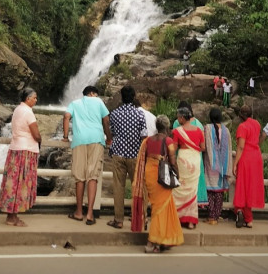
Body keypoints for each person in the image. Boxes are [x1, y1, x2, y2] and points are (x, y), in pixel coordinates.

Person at [131, 115, 184, 253]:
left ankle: (162, 240)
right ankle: (152, 241)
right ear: (167, 127)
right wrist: (177, 175)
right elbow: (172, 161)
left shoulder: (147, 140)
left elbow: (144, 158)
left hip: (149, 173)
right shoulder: (168, 141)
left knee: (158, 206)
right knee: (160, 209)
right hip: (162, 175)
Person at [63, 85, 112, 225]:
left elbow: (66, 116)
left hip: (79, 140)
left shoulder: (75, 103)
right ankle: (90, 214)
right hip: (96, 140)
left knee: (80, 177)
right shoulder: (98, 101)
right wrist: (108, 138)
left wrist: (65, 136)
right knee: (92, 176)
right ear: (92, 93)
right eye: (96, 94)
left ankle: (78, 212)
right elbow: (106, 120)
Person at [0, 87, 42, 227]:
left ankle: (11, 215)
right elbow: (36, 134)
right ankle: (13, 218)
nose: (36, 100)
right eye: (34, 98)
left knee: (13, 183)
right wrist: (40, 140)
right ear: (27, 98)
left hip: (15, 149)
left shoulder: (17, 109)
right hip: (25, 151)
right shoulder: (28, 113)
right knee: (20, 184)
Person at [107, 85, 146, 229]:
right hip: (135, 154)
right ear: (134, 96)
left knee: (119, 187)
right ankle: (139, 218)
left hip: (118, 153)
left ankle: (118, 220)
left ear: (122, 97)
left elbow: (111, 132)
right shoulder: (140, 114)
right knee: (138, 187)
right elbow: (144, 135)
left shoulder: (115, 113)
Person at [171, 106, 205, 229]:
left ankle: (177, 217)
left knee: (179, 189)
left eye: (178, 117)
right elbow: (203, 147)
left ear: (182, 118)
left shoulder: (177, 131)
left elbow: (173, 149)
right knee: (192, 191)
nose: (177, 119)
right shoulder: (199, 130)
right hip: (195, 161)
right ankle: (191, 221)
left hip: (183, 160)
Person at [233, 104, 264, 228]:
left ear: (240, 116)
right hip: (256, 157)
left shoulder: (242, 126)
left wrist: (235, 163)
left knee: (242, 185)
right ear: (251, 114)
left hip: (246, 157)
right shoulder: (257, 124)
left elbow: (240, 146)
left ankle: (240, 210)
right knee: (250, 186)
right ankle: (248, 219)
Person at [203, 107, 232, 225]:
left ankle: (211, 217)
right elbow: (229, 149)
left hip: (211, 164)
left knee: (210, 191)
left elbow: (204, 145)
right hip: (222, 165)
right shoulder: (226, 131)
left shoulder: (207, 128)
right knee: (219, 192)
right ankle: (216, 216)